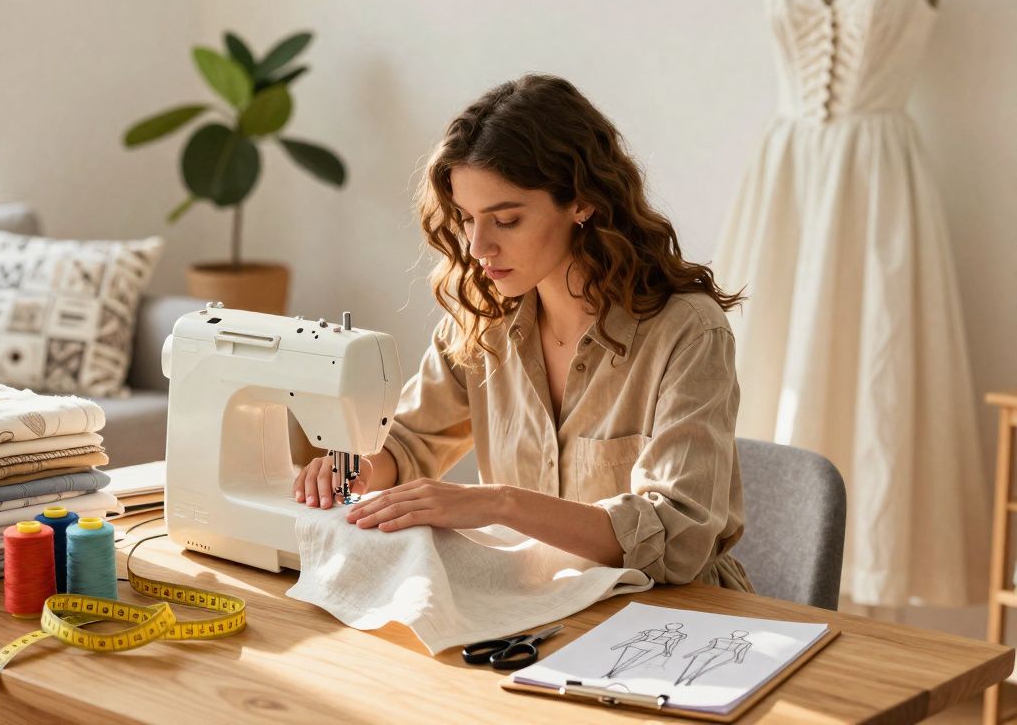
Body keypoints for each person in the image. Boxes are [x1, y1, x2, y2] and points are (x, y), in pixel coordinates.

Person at [292, 74, 753, 590]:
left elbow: (678, 538)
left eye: (505, 220)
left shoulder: (687, 333)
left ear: (581, 201)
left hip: (673, 622)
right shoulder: (484, 318)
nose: (477, 246)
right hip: (536, 602)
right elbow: (408, 440)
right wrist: (357, 469)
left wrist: (498, 504)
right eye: (466, 219)